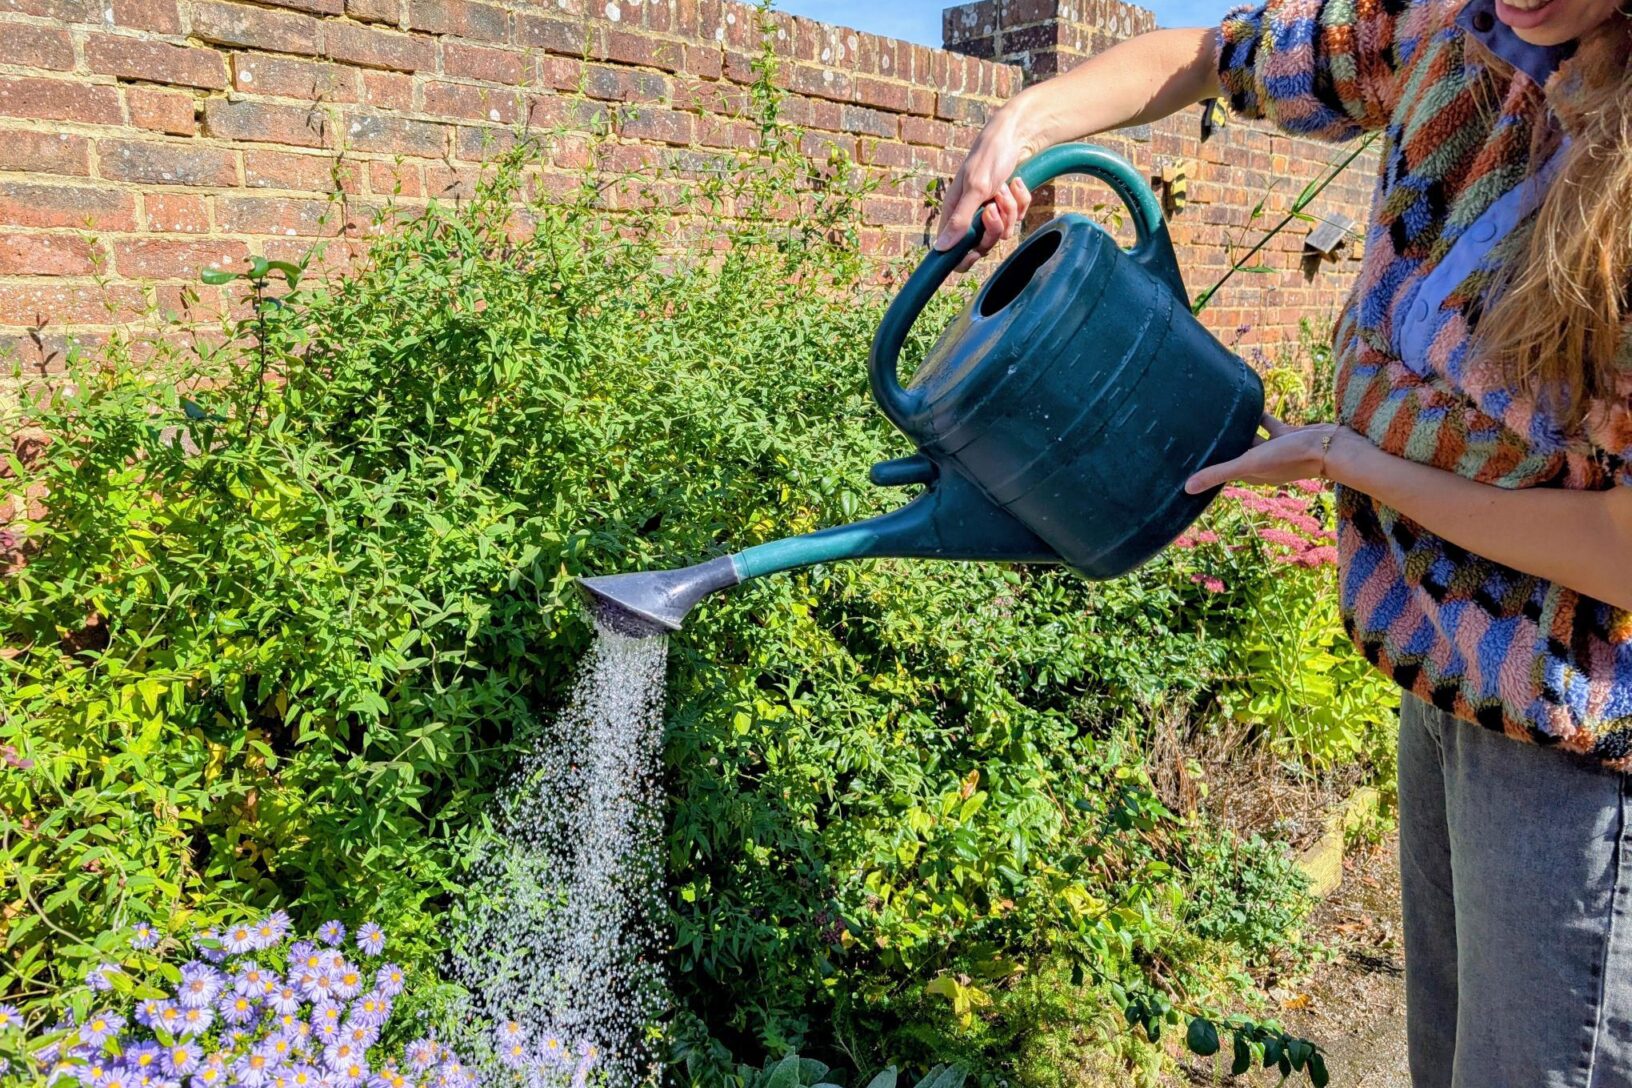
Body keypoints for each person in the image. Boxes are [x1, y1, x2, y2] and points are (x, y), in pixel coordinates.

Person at [936, 0, 1632, 1084]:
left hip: (1578, 743)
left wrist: (1356, 461)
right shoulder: (1453, 33)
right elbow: (1213, 55)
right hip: (1445, 685)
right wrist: (1017, 128)